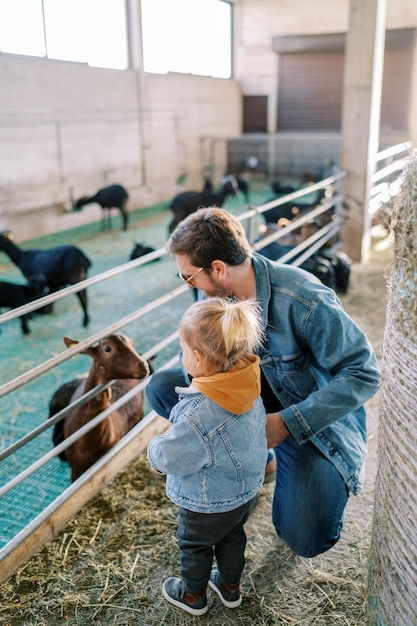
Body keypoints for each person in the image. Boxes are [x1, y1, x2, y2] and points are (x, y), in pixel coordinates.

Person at [147, 207, 380, 560]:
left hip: (305, 420)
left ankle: (270, 450)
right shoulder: (211, 294)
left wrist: (285, 424)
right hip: (247, 406)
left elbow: (365, 373)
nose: (189, 285)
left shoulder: (305, 299)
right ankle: (259, 457)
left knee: (305, 538)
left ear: (219, 269)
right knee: (162, 388)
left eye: (188, 277)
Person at [147, 297, 268, 616]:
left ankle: (193, 595)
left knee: (195, 546)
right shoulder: (249, 383)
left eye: (184, 351)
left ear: (198, 358)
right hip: (243, 494)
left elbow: (168, 457)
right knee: (231, 538)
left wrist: (154, 446)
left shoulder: (198, 417)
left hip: (206, 502)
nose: (183, 357)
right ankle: (230, 587)